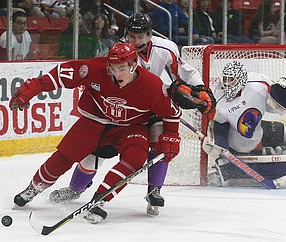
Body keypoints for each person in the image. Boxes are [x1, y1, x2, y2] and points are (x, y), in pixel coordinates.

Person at [49, 12, 216, 216]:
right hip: (123, 108)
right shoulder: (119, 51)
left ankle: (154, 190)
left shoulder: (166, 48)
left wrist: (200, 89)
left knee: (162, 143)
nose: (136, 41)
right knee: (96, 152)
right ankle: (75, 188)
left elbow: (186, 72)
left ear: (149, 35)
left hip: (153, 105)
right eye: (131, 36)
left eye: (141, 36)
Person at [11, 42, 182, 224]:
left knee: (136, 158)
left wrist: (171, 136)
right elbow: (60, 74)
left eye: (122, 69)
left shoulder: (152, 85)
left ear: (133, 65)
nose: (116, 74)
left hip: (131, 128)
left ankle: (100, 199)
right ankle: (33, 188)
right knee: (64, 156)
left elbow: (172, 113)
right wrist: (32, 89)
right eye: (112, 68)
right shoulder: (94, 68)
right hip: (94, 121)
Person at [202, 61, 286, 186]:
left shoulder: (259, 84)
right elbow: (218, 124)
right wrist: (218, 142)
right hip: (238, 148)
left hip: (259, 132)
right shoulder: (217, 99)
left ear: (242, 80)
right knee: (219, 176)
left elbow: (277, 105)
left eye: (232, 79)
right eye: (225, 79)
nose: (227, 83)